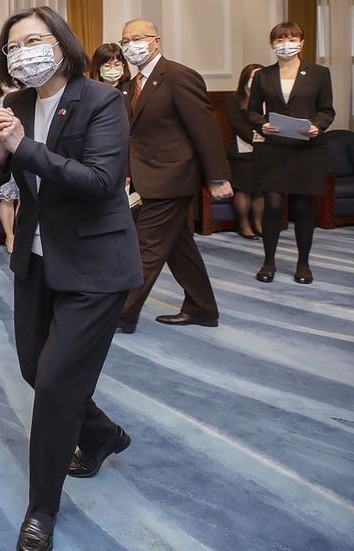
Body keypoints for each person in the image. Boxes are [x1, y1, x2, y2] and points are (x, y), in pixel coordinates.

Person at [0, 6, 141, 551]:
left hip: (95, 264)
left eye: (33, 40)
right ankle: (99, 434)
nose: (23, 52)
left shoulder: (102, 100)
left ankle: (41, 509)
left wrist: (24, 147)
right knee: (33, 367)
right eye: (13, 45)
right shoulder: (15, 103)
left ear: (61, 42)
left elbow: (99, 181)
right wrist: (0, 153)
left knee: (52, 387)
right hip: (39, 260)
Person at [115, 19, 231, 334]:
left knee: (146, 246)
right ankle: (202, 307)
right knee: (180, 248)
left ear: (157, 41)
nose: (131, 44)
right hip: (144, 177)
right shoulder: (128, 85)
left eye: (138, 37)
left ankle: (122, 313)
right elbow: (132, 137)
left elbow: (205, 129)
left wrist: (218, 177)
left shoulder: (179, 77)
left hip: (172, 176)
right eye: (126, 39)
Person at [246, 22, 335, 284]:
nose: (287, 43)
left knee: (302, 207)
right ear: (272, 44)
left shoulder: (319, 73)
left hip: (307, 149)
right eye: (281, 39)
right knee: (273, 205)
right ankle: (268, 262)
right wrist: (262, 124)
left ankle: (303, 264)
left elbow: (327, 109)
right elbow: (251, 111)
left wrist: (316, 127)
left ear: (302, 41)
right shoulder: (264, 75)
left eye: (292, 37)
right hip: (273, 149)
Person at [225, 63, 265, 239]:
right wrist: (259, 139)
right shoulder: (234, 99)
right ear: (245, 80)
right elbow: (238, 125)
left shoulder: (269, 100)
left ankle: (258, 223)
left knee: (260, 190)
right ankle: (244, 223)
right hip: (241, 152)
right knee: (244, 189)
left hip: (265, 152)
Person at [0, 79, 21, 252]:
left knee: (25, 197)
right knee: (7, 198)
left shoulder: (27, 99)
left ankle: (22, 235)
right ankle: (10, 236)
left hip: (24, 152)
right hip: (6, 154)